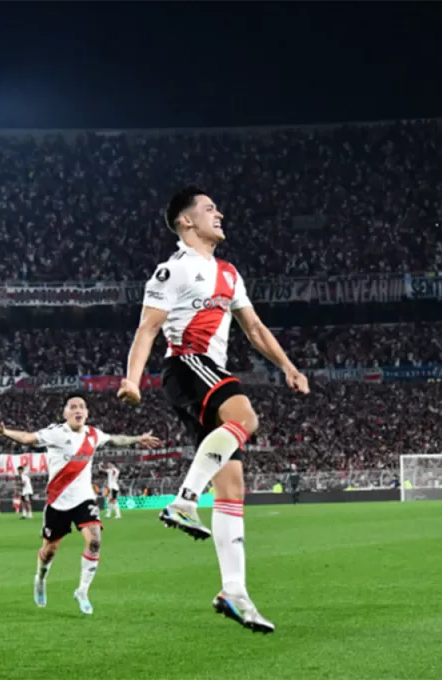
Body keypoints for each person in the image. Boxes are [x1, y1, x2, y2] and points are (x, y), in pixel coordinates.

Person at [119, 187, 310, 634]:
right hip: (187, 364)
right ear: (187, 222)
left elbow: (255, 328)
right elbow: (147, 327)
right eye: (208, 209)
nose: (219, 213)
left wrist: (287, 366)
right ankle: (184, 501)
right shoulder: (175, 269)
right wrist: (131, 378)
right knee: (245, 418)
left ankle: (234, 592)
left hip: (207, 370)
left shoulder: (228, 273)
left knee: (233, 485)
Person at [0, 395, 161, 615]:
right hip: (58, 501)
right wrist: (6, 432)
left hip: (84, 499)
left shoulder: (93, 434)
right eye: (73, 407)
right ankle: (40, 579)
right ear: (65, 413)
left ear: (86, 412)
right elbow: (28, 438)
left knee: (95, 541)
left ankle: (82, 590)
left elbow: (115, 439)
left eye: (81, 407)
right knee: (50, 550)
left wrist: (138, 438)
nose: (78, 410)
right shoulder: (56, 434)